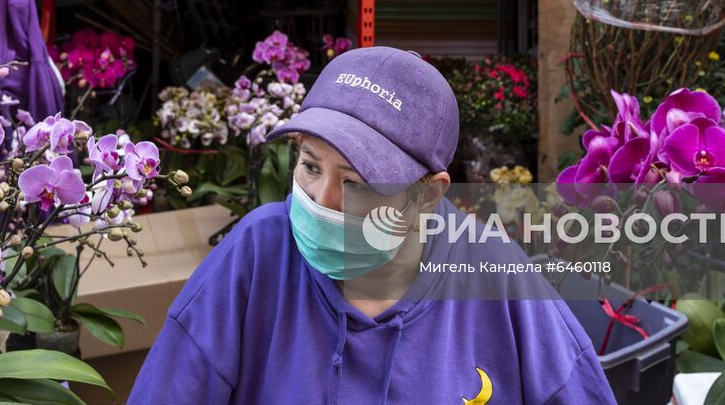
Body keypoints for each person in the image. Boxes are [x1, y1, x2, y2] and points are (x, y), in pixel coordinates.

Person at [128, 46, 617, 404]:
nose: (322, 201)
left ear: (427, 195)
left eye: (356, 182)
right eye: (310, 165)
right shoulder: (259, 253)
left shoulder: (496, 277)